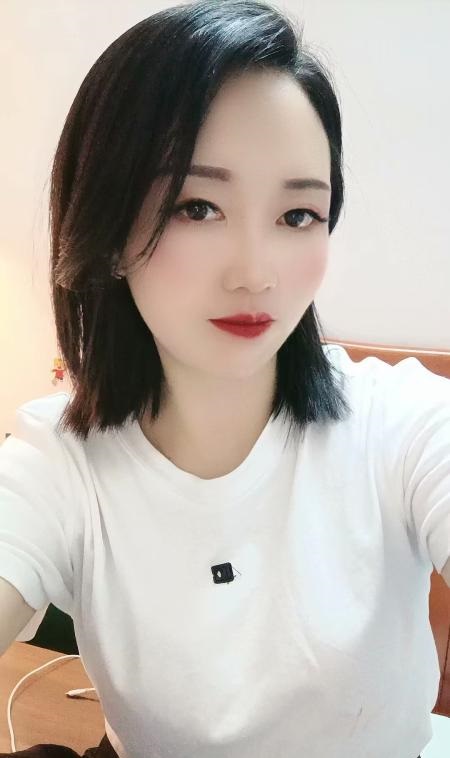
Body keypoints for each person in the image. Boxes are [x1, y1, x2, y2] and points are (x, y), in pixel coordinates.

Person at [0, 0, 448, 756]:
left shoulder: (402, 424)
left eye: (298, 215)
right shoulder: (58, 465)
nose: (255, 273)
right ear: (107, 227)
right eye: (197, 206)